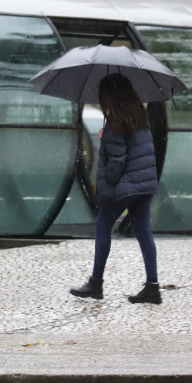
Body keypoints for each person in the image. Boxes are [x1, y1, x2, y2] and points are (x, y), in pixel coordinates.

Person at [70, 74, 161, 305]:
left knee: (102, 225)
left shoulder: (116, 124)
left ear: (109, 98)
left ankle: (96, 283)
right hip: (144, 184)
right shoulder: (139, 118)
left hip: (127, 185)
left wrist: (107, 182)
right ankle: (153, 287)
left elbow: (117, 162)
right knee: (143, 232)